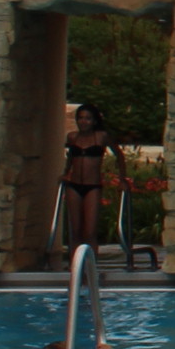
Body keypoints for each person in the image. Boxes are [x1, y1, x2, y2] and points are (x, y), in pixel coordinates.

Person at [58, 101, 114, 252]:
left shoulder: (101, 137)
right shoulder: (72, 137)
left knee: (89, 232)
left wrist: (122, 179)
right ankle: (74, 267)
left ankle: (91, 267)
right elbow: (71, 156)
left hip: (92, 186)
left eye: (88, 118)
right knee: (75, 232)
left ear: (94, 121)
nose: (84, 121)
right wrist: (65, 172)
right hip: (74, 185)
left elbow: (119, 156)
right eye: (81, 118)